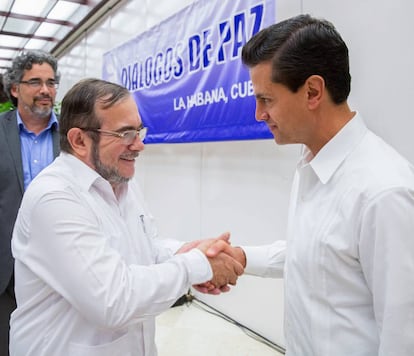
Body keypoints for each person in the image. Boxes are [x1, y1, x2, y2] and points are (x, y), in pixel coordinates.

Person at [207, 14, 414, 355]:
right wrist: (242, 257)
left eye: (266, 99)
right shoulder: (311, 165)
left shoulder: (385, 192)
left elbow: (403, 338)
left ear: (313, 91)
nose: (259, 114)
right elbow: (319, 255)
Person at [9, 78, 243, 356]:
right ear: (79, 140)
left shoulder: (122, 183)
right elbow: (112, 301)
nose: (139, 145)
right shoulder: (54, 198)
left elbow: (146, 246)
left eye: (139, 131)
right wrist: (197, 266)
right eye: (124, 134)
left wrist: (185, 252)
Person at [0, 50, 60, 355]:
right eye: (35, 82)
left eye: (51, 82)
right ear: (15, 88)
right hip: (5, 268)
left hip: (62, 262)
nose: (45, 90)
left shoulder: (74, 136)